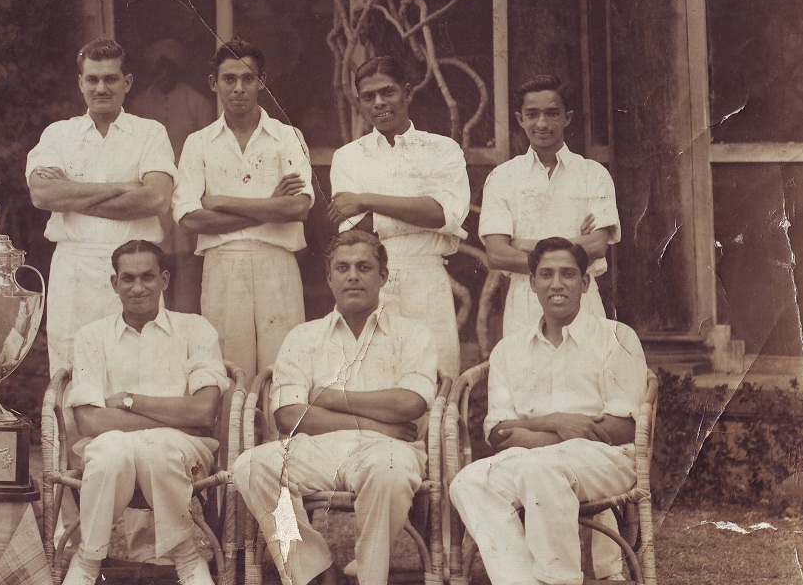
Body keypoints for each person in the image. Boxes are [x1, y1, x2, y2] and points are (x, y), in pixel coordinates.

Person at [449, 237, 648, 585]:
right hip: (530, 457)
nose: (557, 284)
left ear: (585, 283)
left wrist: (534, 430)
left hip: (606, 459)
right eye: (546, 274)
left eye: (568, 274)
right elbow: (498, 433)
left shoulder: (616, 337)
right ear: (532, 284)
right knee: (468, 481)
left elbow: (622, 427)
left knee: (543, 470)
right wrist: (558, 422)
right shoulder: (509, 349)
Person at [233, 230, 437, 585]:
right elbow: (289, 415)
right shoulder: (304, 336)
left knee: (391, 472)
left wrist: (330, 396)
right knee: (252, 466)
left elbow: (410, 404)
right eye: (342, 268)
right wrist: (375, 421)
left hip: (387, 449)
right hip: (318, 448)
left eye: (364, 267)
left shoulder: (413, 333)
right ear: (329, 278)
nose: (353, 276)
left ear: (383, 275)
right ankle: (322, 575)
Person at [59, 240, 228, 585]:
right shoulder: (91, 336)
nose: (138, 287)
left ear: (164, 279)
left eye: (148, 277)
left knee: (157, 451)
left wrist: (129, 401)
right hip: (111, 445)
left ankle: (187, 559)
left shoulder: (194, 328)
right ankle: (88, 561)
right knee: (110, 453)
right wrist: (175, 414)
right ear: (114, 283)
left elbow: (204, 411)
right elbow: (89, 422)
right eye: (128, 278)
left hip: (184, 450)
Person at [26, 38, 177, 375]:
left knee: (139, 369)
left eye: (110, 79)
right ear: (80, 83)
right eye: (92, 79)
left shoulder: (150, 133)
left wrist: (72, 194)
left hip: (135, 267)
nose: (100, 88)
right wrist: (124, 187)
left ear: (127, 82)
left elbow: (156, 198)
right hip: (74, 268)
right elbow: (43, 195)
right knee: (72, 370)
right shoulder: (58, 134)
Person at [172, 39, 313, 381]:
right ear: (214, 83)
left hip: (276, 260)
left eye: (248, 78)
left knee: (283, 369)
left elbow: (298, 207)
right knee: (230, 371)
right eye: (229, 79)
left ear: (262, 81)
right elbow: (190, 219)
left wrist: (222, 201)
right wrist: (270, 205)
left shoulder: (287, 137)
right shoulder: (199, 142)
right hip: (223, 264)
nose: (239, 88)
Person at [328, 56, 470, 375]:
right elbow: (355, 230)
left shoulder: (442, 149)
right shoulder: (348, 157)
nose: (379, 102)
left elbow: (442, 214)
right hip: (373, 280)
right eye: (368, 96)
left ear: (407, 92)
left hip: (427, 278)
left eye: (387, 91)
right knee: (376, 378)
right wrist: (417, 209)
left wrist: (367, 200)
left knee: (436, 376)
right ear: (360, 102)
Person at [480, 74, 620, 336]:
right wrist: (575, 245)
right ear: (520, 119)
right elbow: (497, 254)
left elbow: (597, 245)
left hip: (581, 297)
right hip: (525, 299)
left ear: (567, 117)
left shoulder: (593, 174)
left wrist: (524, 244)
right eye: (532, 114)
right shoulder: (502, 177)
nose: (542, 123)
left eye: (552, 113)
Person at [129, 37, 211, 313]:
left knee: (187, 263)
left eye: (170, 67)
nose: (164, 74)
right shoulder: (139, 104)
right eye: (159, 67)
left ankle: (185, 318)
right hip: (154, 191)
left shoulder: (197, 103)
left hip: (188, 191)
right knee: (154, 260)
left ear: (179, 69)